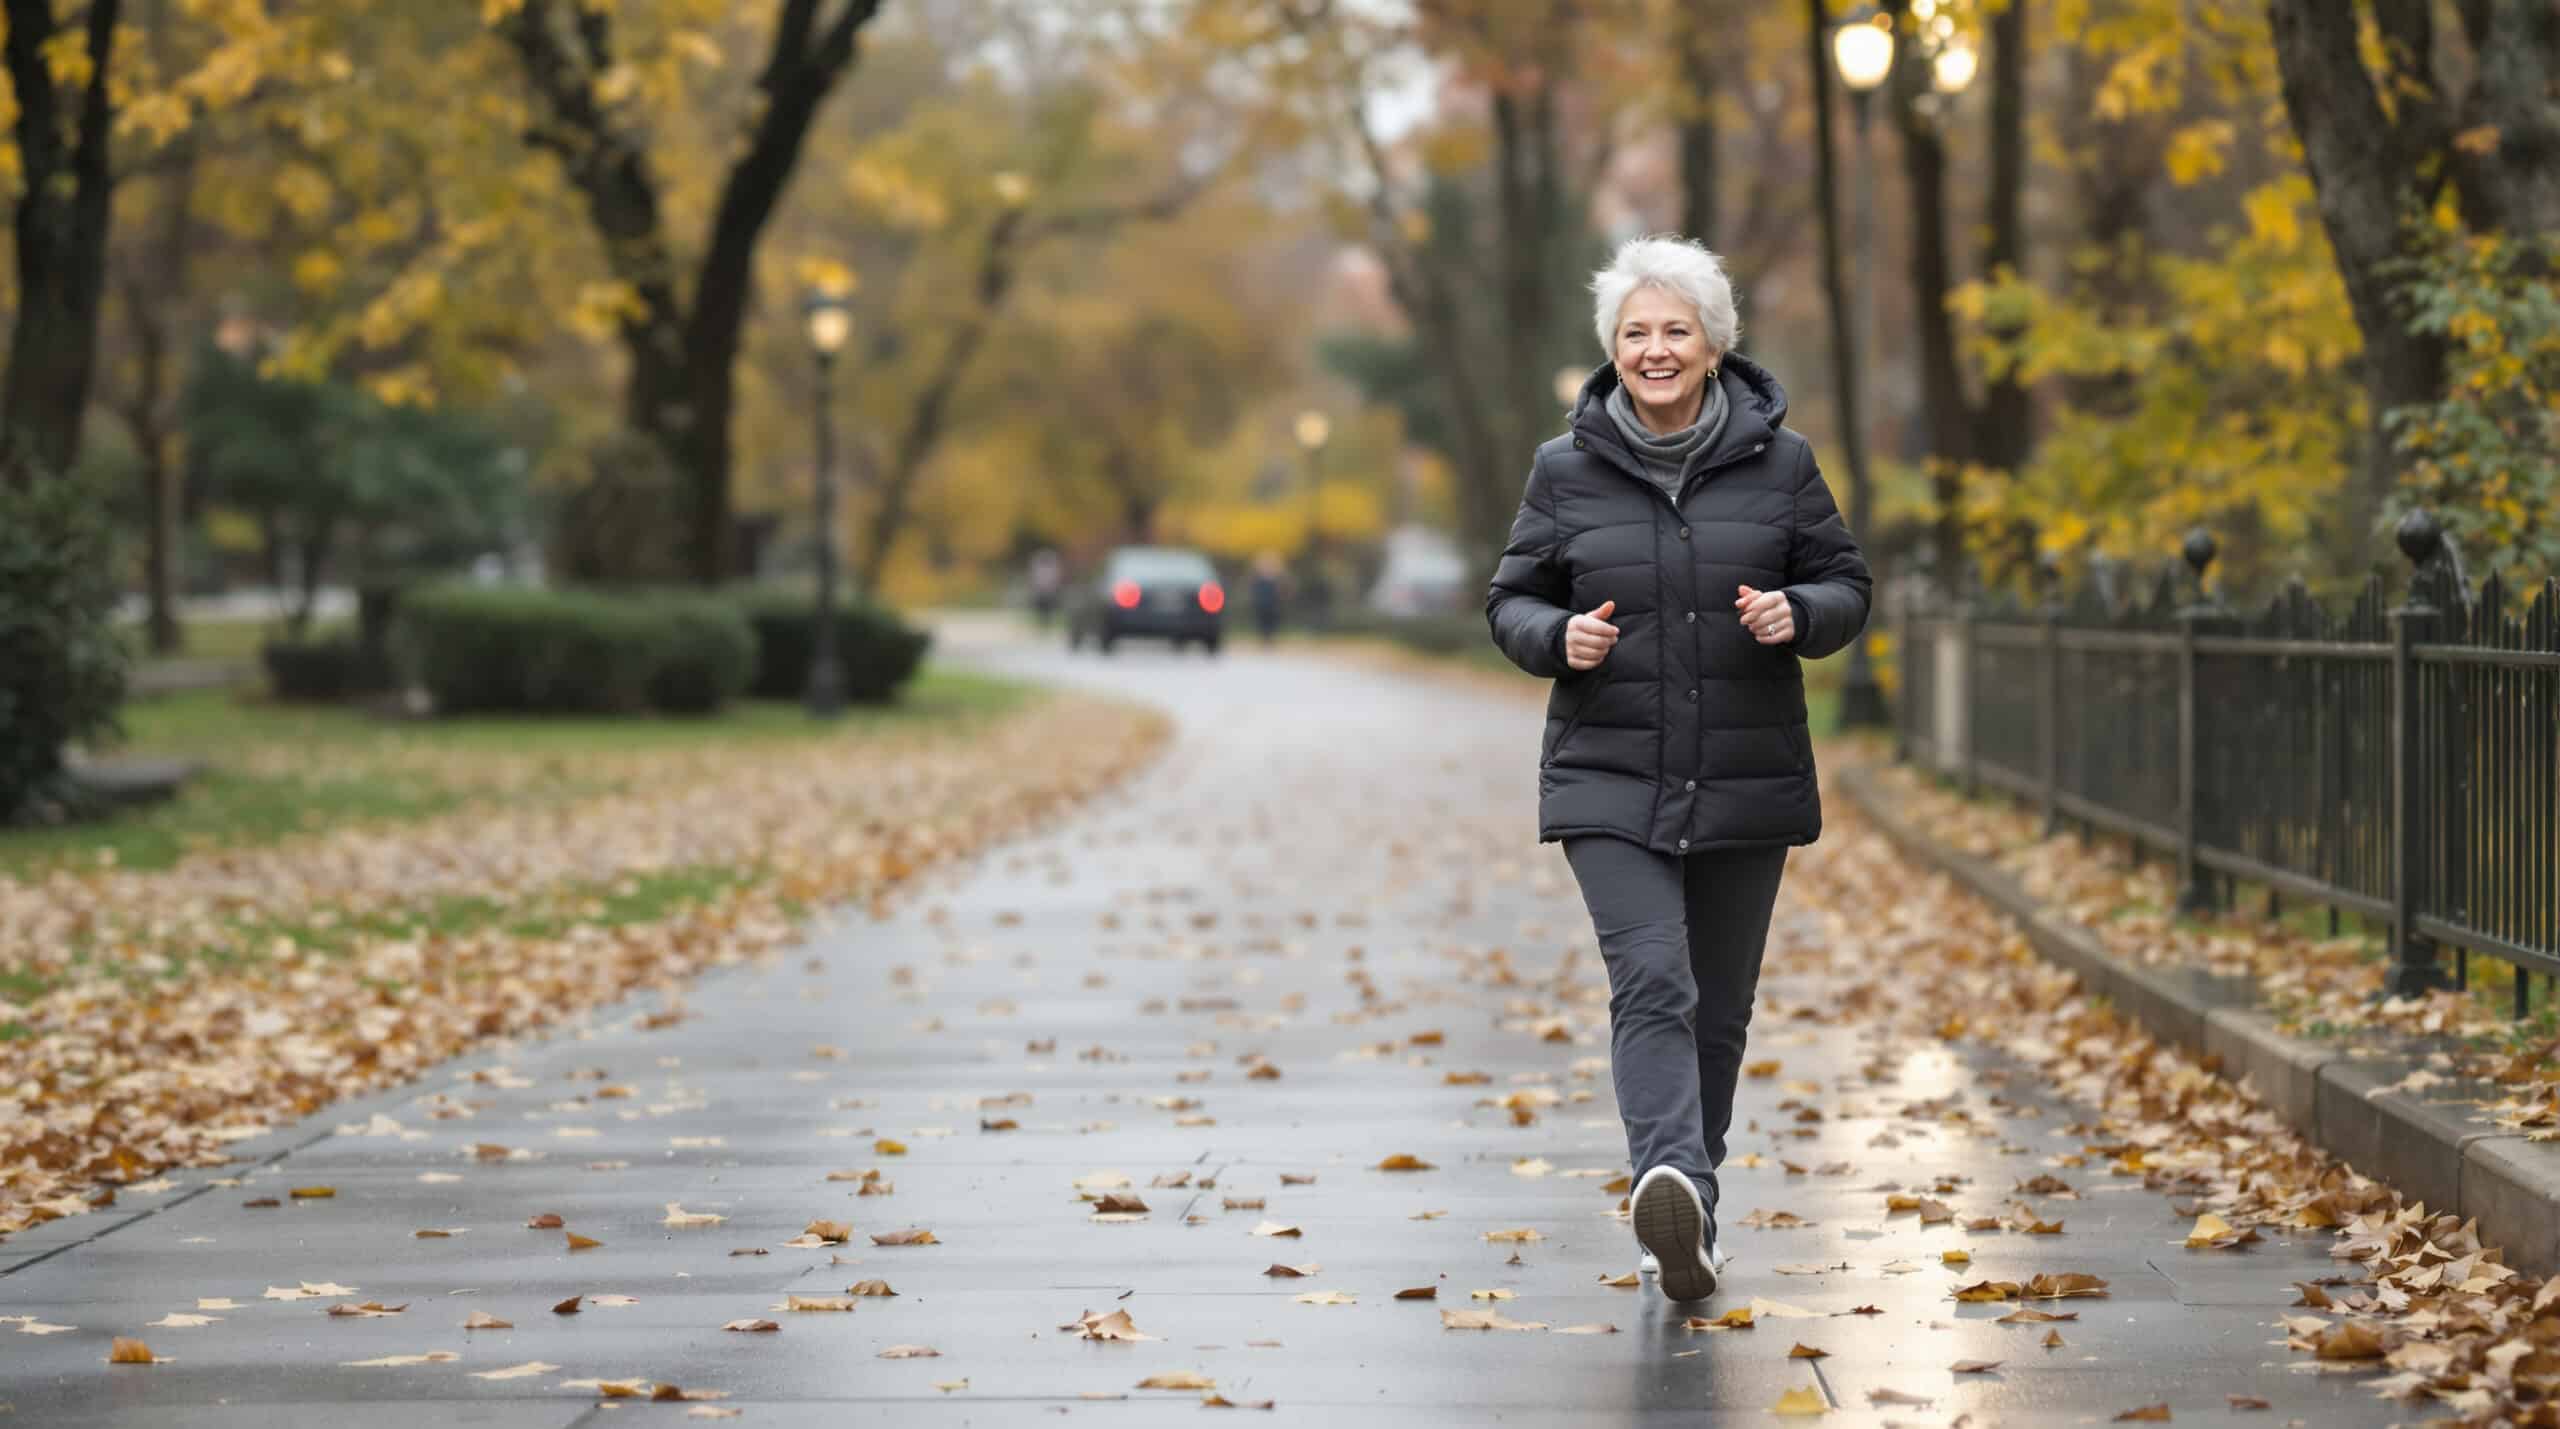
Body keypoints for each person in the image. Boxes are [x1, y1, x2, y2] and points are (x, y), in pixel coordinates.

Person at [1485, 235, 1871, 1302]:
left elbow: (1846, 584)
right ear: (1612, 350)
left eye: (1675, 331)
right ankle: (1669, 1173)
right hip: (1606, 775)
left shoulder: (1782, 464)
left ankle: (1688, 1213)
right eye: (1634, 333)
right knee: (1652, 977)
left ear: (1714, 345)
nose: (1655, 349)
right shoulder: (1563, 469)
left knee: (1719, 1009)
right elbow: (1509, 600)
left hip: (1744, 775)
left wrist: (1799, 612)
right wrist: (1554, 636)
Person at [1249, 551, 1286, 646]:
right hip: (1262, 604)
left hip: (1272, 604)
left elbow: (1280, 592)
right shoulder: (1258, 578)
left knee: (1271, 621)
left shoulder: (1276, 579)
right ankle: (1264, 639)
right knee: (1263, 622)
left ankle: (1270, 639)